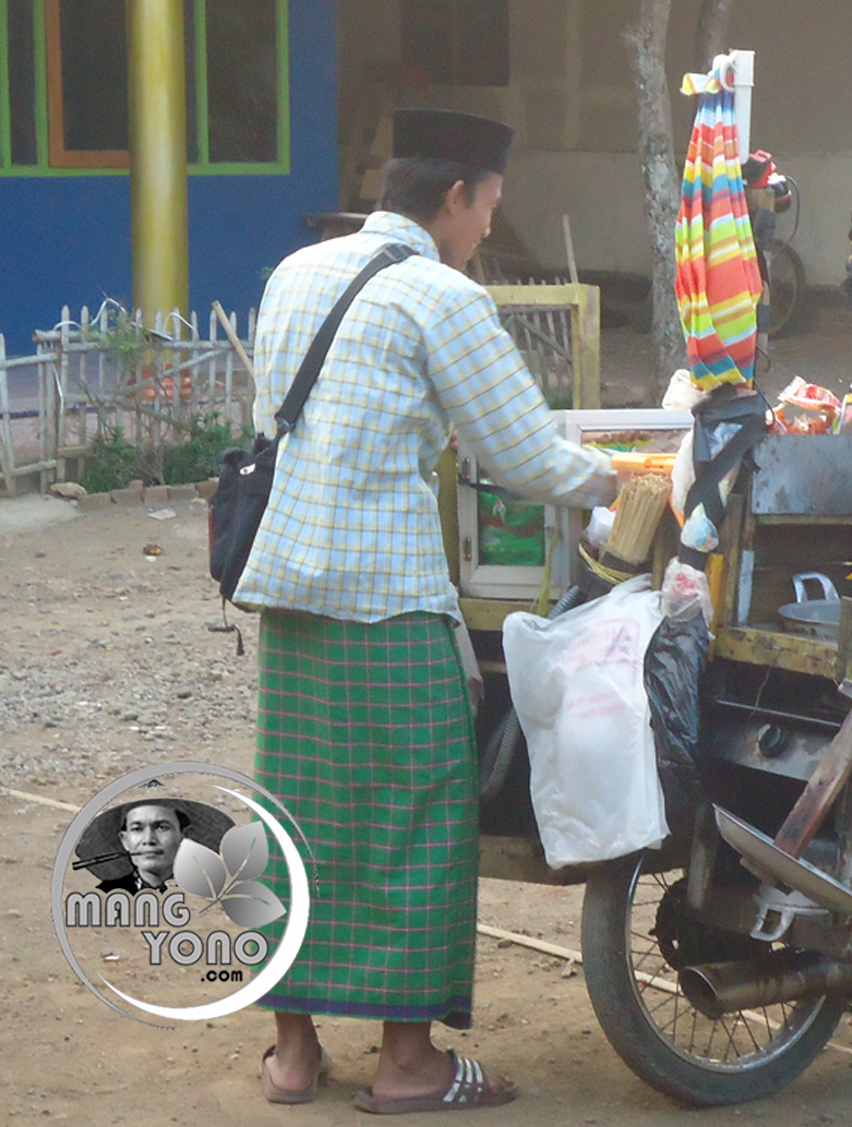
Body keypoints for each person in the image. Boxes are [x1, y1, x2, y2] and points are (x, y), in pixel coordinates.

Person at [234, 108, 616, 1112]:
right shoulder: (440, 296)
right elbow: (525, 455)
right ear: (455, 198)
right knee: (416, 811)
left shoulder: (297, 271)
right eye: (490, 206)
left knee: (298, 813)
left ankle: (293, 1052)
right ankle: (407, 1064)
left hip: (286, 590)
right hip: (387, 598)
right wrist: (621, 481)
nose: (490, 226)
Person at [95, 802, 187, 893]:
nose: (148, 839)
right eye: (137, 829)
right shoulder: (105, 895)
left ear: (185, 836)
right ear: (125, 840)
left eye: (162, 827)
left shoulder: (199, 891)